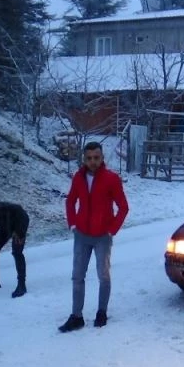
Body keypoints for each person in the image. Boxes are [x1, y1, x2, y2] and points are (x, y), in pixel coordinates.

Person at [59, 141, 129, 333]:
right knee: (77, 276)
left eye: (96, 157)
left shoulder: (111, 179)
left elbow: (123, 207)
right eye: (89, 158)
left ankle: (101, 312)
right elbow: (70, 201)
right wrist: (73, 224)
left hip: (102, 236)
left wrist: (111, 230)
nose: (92, 161)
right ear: (84, 159)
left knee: (103, 275)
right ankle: (77, 316)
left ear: (102, 157)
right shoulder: (78, 177)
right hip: (82, 234)